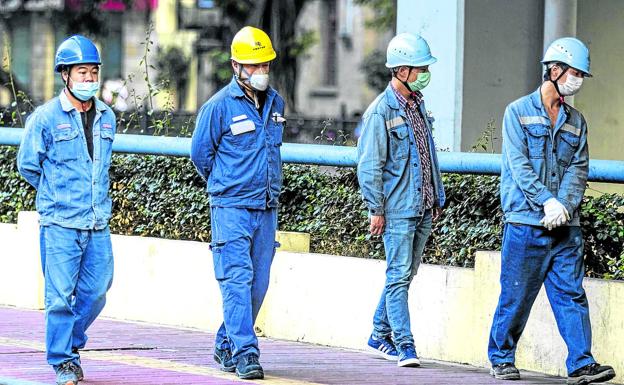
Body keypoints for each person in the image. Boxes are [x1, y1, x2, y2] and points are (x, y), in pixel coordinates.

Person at [488, 37, 616, 385]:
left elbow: (578, 168)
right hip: (526, 221)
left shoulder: (577, 121)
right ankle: (500, 358)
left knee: (571, 294)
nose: (577, 80)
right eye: (574, 72)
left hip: (565, 226)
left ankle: (581, 363)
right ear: (554, 70)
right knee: (516, 294)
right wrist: (547, 200)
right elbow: (518, 165)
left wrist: (565, 206)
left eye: (581, 75)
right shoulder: (517, 112)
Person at [17, 35, 116, 385]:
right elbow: (28, 165)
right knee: (59, 296)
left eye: (93, 72)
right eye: (81, 73)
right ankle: (63, 361)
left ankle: (68, 340)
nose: (89, 79)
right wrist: (57, 193)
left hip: (97, 221)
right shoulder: (44, 118)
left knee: (98, 289)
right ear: (65, 75)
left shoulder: (107, 117)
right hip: (59, 222)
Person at [190, 26, 284, 380]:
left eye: (265, 65)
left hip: (266, 207)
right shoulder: (218, 107)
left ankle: (225, 342)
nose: (260, 71)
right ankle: (246, 353)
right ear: (236, 66)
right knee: (236, 280)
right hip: (230, 208)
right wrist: (226, 185)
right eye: (253, 65)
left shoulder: (276, 103)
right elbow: (201, 155)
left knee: (257, 285)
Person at [357, 33, 445, 367]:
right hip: (396, 209)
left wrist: (436, 196)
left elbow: (428, 156)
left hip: (422, 206)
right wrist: (375, 209)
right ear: (402, 70)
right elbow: (369, 166)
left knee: (405, 274)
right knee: (398, 276)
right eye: (420, 67)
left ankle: (379, 333)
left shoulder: (418, 105)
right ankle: (404, 344)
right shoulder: (381, 112)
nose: (425, 72)